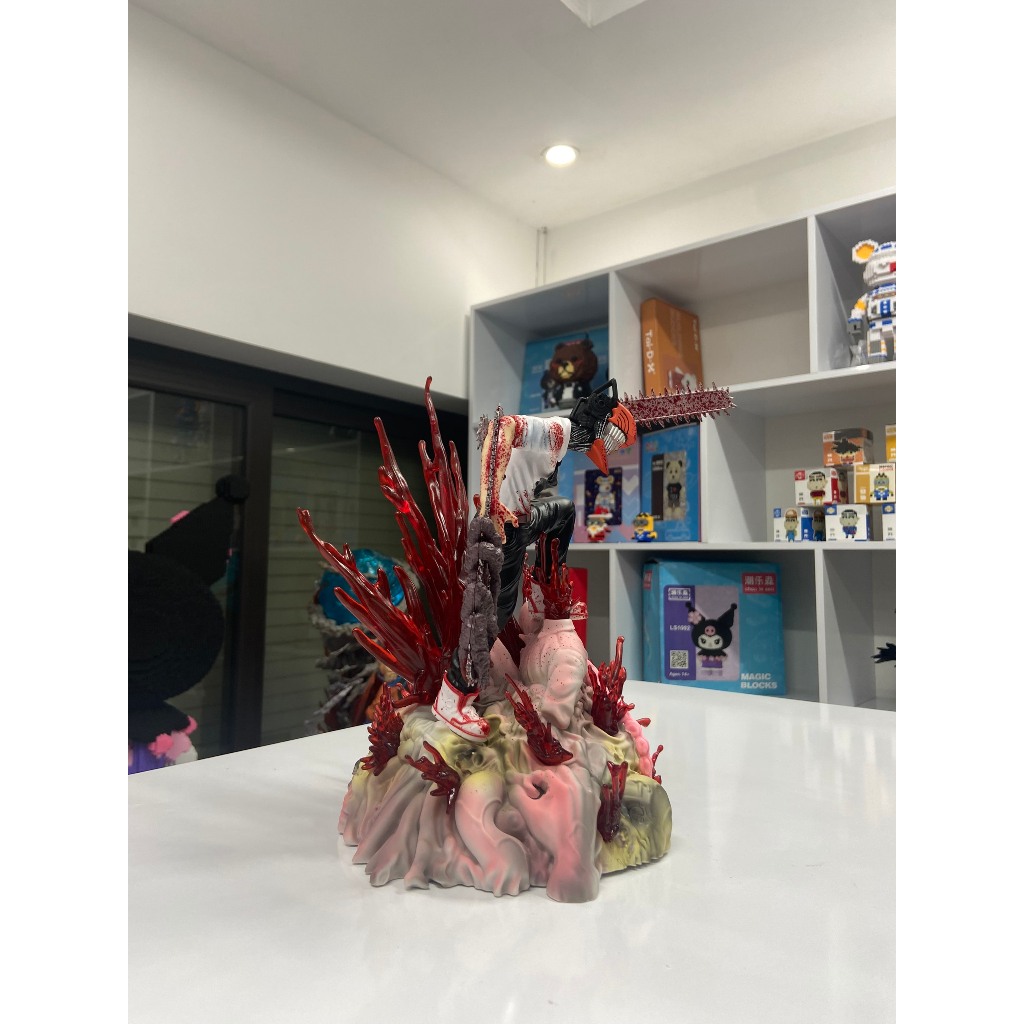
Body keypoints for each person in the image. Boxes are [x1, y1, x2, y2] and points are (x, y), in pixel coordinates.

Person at [432, 381, 637, 741]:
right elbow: (502, 428)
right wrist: (492, 503)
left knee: (563, 511)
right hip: (501, 529)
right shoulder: (557, 431)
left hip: (522, 520)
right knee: (492, 614)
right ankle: (452, 697)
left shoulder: (561, 443)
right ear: (595, 432)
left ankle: (545, 594)